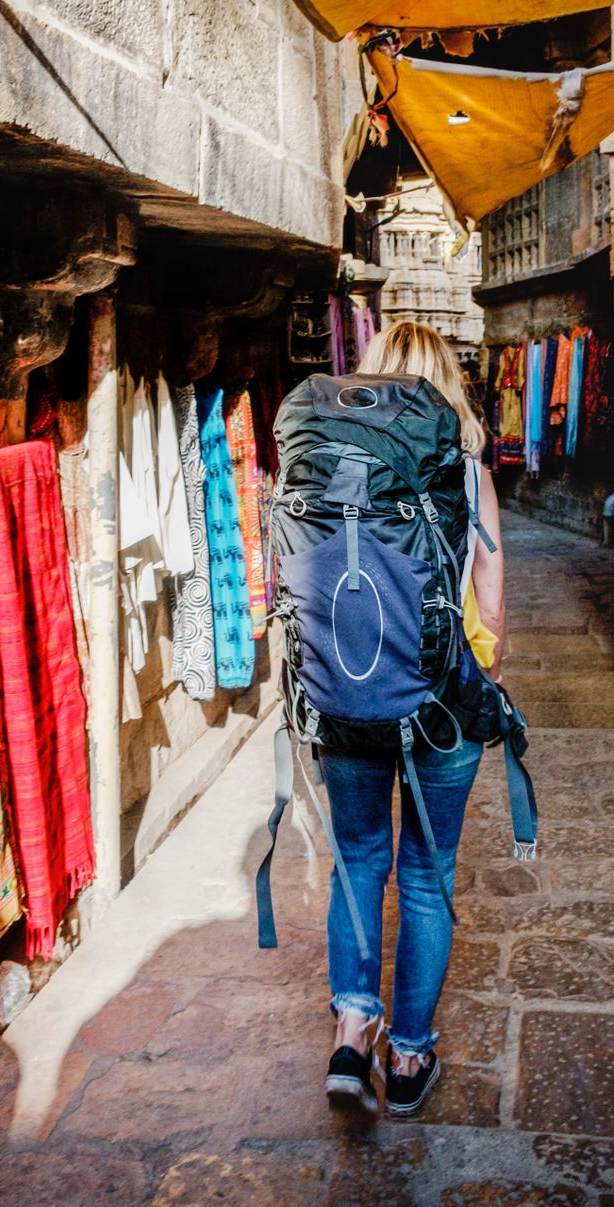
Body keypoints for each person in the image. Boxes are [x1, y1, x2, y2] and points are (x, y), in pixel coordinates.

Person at [323, 321, 505, 1117]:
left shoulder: (328, 461)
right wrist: (477, 676)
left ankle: (352, 1033)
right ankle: (407, 1059)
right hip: (442, 706)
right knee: (427, 878)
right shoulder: (466, 469)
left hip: (347, 697)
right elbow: (490, 609)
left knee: (358, 859)